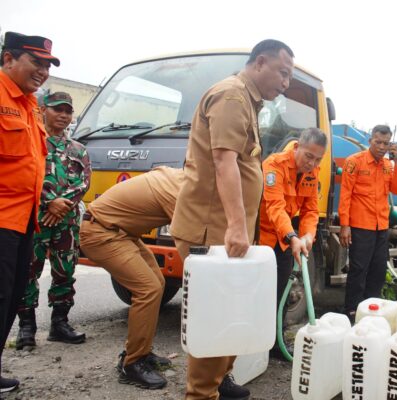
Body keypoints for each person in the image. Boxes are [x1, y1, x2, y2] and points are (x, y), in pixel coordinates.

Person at [170, 39, 294, 400]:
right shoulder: (233, 97)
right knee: (214, 316)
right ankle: (202, 393)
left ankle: (218, 383)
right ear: (260, 63)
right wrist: (239, 228)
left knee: (229, 312)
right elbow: (225, 162)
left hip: (221, 231)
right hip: (211, 231)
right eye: (282, 72)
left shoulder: (248, 102)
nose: (286, 83)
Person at [79, 167, 183, 389]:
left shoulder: (178, 177)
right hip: (102, 232)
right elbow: (187, 237)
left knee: (158, 284)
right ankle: (132, 364)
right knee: (148, 289)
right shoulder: (179, 190)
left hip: (122, 233)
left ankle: (140, 352)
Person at [0, 31, 59, 393]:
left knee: (10, 296)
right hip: (2, 219)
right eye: (35, 62)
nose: (42, 71)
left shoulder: (29, 104)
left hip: (24, 220)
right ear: (8, 59)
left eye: (47, 65)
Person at [16, 92, 91, 350]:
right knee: (28, 270)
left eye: (68, 111)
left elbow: (84, 183)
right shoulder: (31, 140)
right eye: (58, 109)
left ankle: (60, 324)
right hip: (35, 218)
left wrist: (60, 207)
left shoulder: (78, 149)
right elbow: (24, 175)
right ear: (43, 110)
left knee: (65, 271)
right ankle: (27, 327)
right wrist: (49, 203)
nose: (63, 116)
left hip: (66, 221)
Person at [258, 128, 326, 358]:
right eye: (309, 156)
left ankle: (276, 340)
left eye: (318, 159)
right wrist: (292, 237)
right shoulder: (274, 164)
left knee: (282, 292)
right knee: (259, 292)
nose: (312, 163)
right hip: (263, 239)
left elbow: (310, 210)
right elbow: (274, 206)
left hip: (286, 240)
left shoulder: (312, 172)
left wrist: (307, 236)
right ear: (297, 147)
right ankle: (255, 343)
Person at [338, 125, 397, 321]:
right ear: (370, 141)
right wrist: (344, 225)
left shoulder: (387, 165)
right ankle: (352, 311)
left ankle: (371, 310)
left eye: (386, 143)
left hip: (381, 226)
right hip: (360, 226)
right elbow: (346, 195)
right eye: (378, 142)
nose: (382, 147)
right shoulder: (354, 162)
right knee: (358, 270)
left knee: (378, 270)